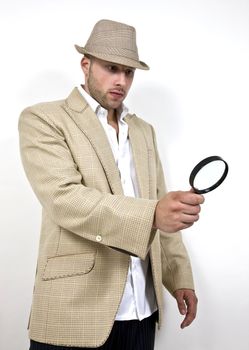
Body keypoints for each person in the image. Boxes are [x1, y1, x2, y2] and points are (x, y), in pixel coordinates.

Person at [19, 19, 204, 350]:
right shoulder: (44, 119)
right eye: (111, 68)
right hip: (73, 315)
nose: (121, 81)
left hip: (141, 316)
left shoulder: (144, 131)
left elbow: (161, 209)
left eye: (129, 72)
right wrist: (152, 215)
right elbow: (65, 199)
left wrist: (179, 279)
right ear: (86, 65)